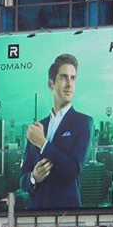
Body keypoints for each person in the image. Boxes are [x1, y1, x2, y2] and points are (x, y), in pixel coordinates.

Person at [19, 53, 92, 211]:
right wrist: (33, 177)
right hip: (35, 216)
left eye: (73, 78)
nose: (69, 84)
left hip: (68, 215)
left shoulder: (83, 122)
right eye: (64, 77)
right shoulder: (39, 126)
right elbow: (22, 180)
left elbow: (73, 169)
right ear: (51, 84)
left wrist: (43, 144)